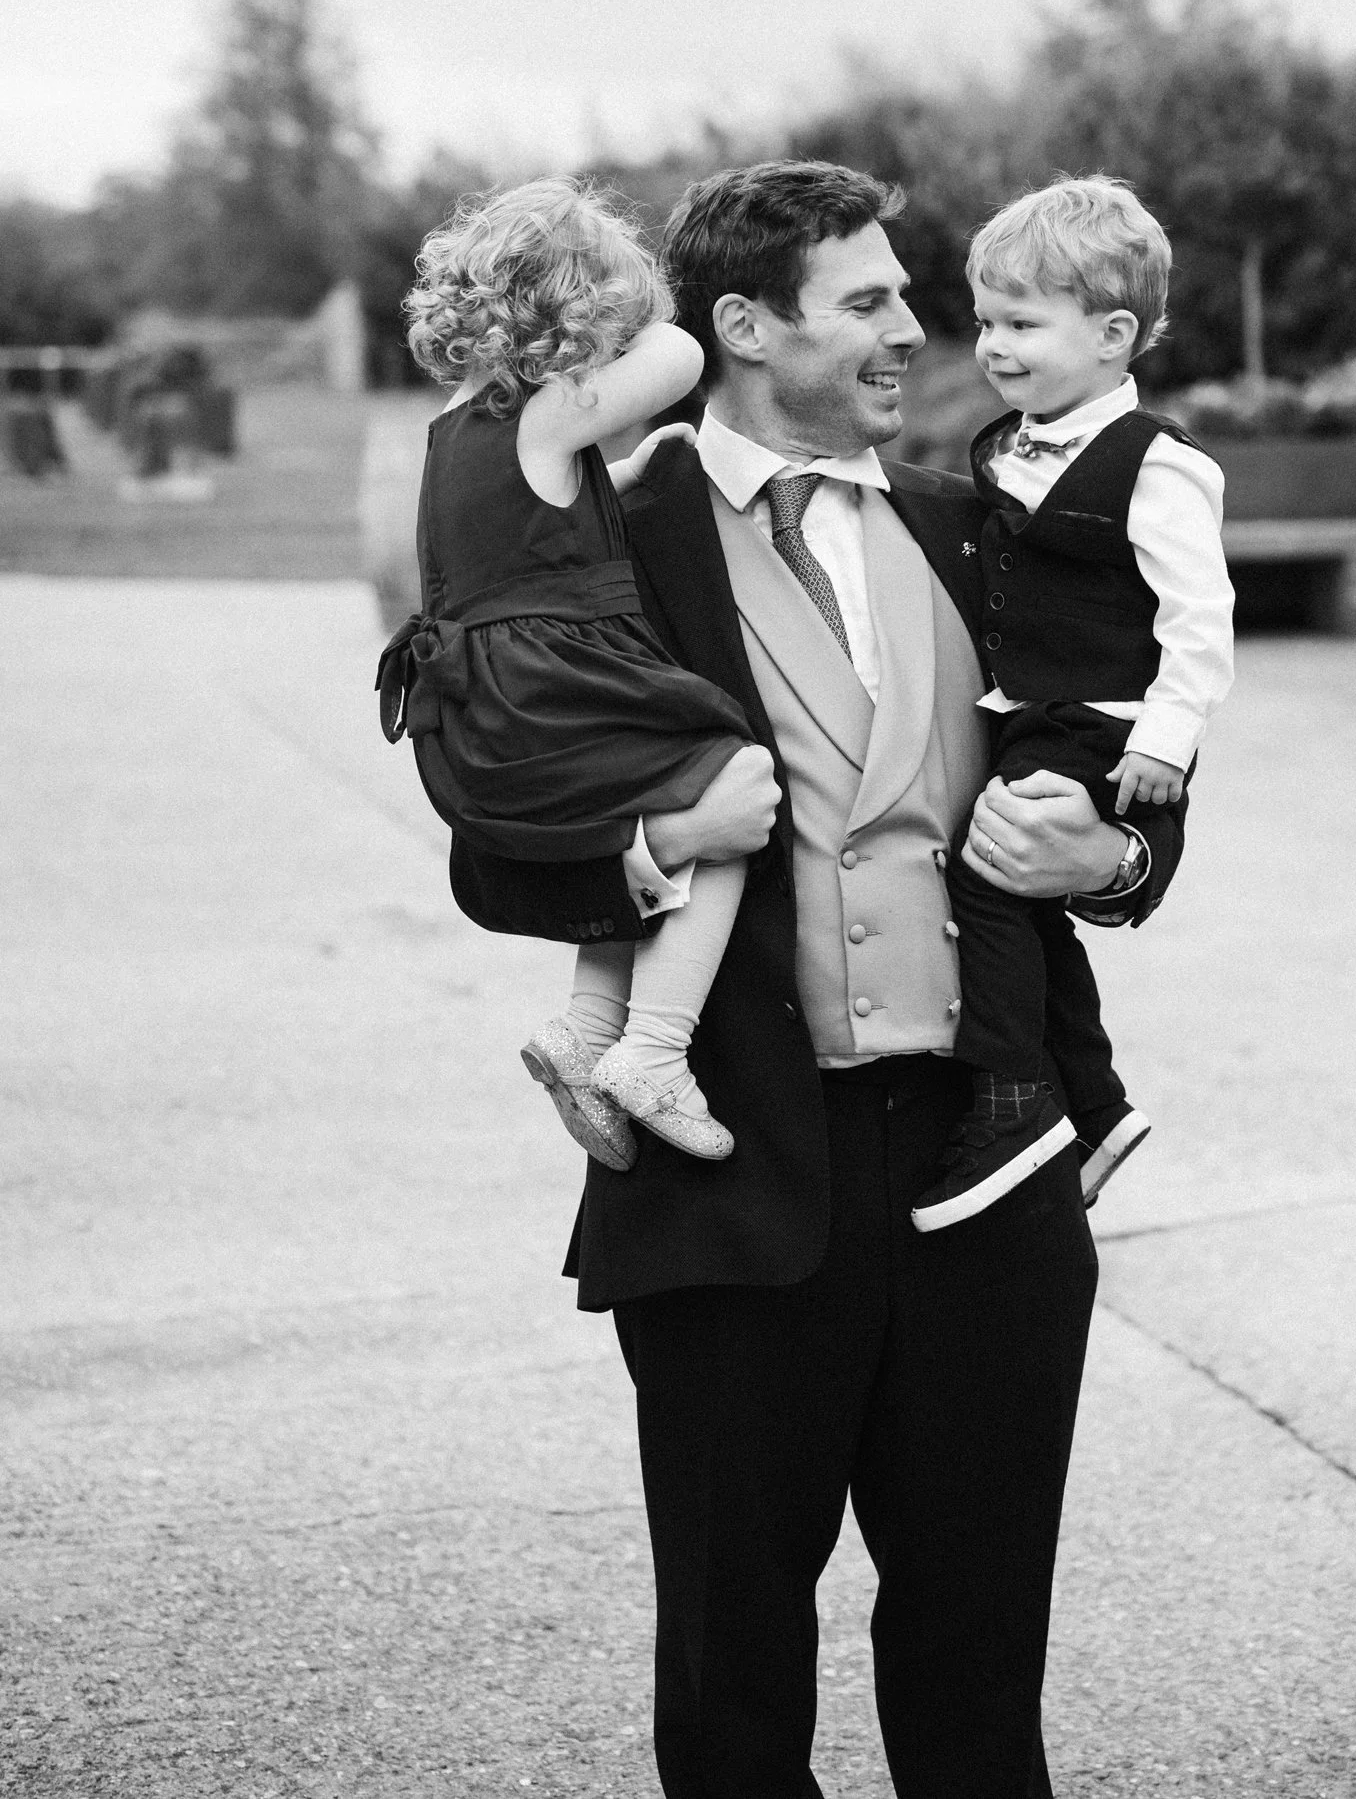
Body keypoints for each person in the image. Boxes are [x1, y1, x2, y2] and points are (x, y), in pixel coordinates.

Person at [456, 160, 1191, 1799]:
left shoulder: (972, 521)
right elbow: (493, 841)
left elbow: (1123, 755)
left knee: (979, 1675)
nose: (914, 330)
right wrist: (655, 844)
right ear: (740, 327)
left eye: (907, 296)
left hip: (987, 1178)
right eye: (866, 301)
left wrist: (1110, 859)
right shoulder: (603, 534)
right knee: (731, 1689)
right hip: (733, 1185)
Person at [377, 176, 783, 1163]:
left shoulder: (460, 427)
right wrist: (633, 326)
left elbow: (525, 536)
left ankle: (587, 1028)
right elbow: (684, 354)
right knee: (731, 779)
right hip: (542, 693)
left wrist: (625, 477)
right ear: (579, 311)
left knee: (635, 810)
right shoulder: (549, 409)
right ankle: (656, 1048)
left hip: (485, 712)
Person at [912, 177, 1235, 1233]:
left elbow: (1199, 619)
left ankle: (1013, 1097)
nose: (992, 346)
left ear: (1111, 335)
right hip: (1030, 712)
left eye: (1020, 324)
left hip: (1105, 721)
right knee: (1015, 900)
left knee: (987, 876)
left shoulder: (1157, 466)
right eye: (984, 323)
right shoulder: (1009, 445)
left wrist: (1165, 744)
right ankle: (1093, 1109)